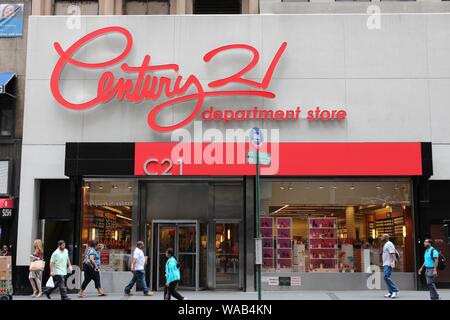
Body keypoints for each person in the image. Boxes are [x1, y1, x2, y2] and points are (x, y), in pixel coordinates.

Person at [381, 234, 400, 298]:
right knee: (387, 277)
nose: (381, 238)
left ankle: (395, 290)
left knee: (386, 277)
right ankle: (390, 292)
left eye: (382, 237)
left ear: (385, 238)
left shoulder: (389, 244)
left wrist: (393, 262)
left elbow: (392, 253)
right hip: (386, 263)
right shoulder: (386, 244)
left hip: (388, 263)